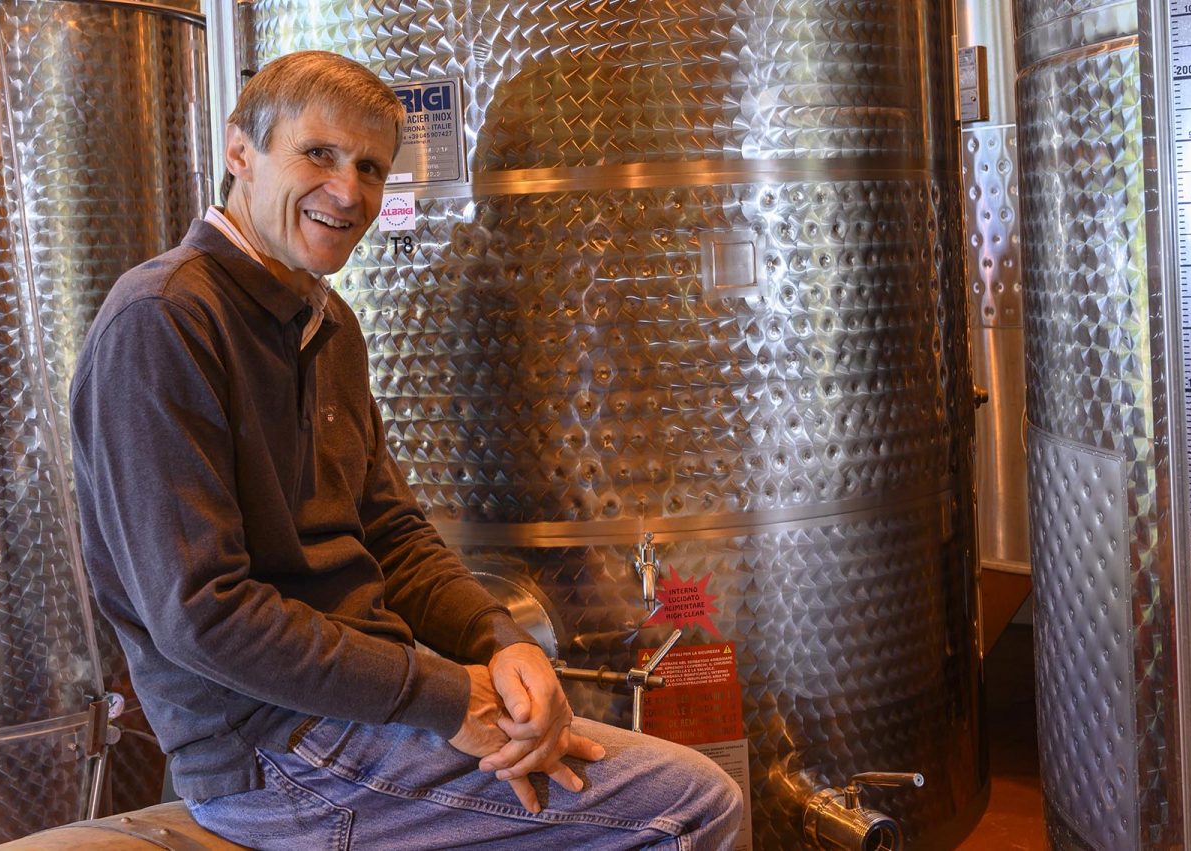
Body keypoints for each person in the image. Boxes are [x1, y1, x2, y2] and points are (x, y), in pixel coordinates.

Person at [69, 50, 744, 850]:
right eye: (317, 154)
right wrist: (445, 695)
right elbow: (202, 615)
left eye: (371, 167)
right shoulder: (164, 321)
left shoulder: (327, 323)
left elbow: (391, 534)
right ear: (240, 151)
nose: (348, 191)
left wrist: (502, 642)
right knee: (694, 804)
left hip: (361, 715)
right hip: (271, 754)